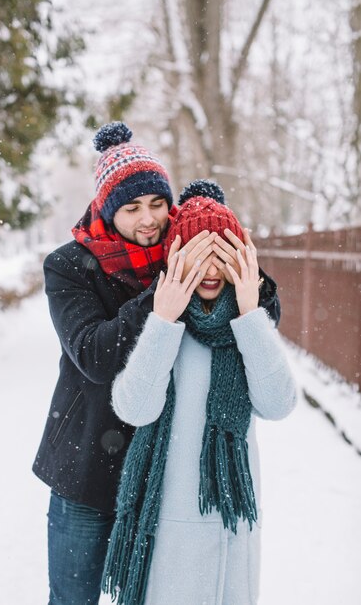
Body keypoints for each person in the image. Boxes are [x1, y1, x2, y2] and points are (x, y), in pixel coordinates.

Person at [32, 121, 281, 604]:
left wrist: (252, 288)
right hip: (89, 472)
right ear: (107, 209)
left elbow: (256, 305)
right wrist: (162, 295)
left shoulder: (184, 244)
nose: (148, 220)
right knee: (73, 598)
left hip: (161, 479)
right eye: (131, 208)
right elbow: (95, 355)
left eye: (157, 204)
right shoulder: (68, 266)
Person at [102, 181, 297, 605]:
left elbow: (279, 404)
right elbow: (134, 408)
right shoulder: (164, 323)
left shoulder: (248, 327)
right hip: (167, 527)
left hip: (231, 524)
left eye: (221, 257)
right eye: (198, 258)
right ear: (176, 262)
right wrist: (163, 319)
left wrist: (250, 312)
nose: (210, 271)